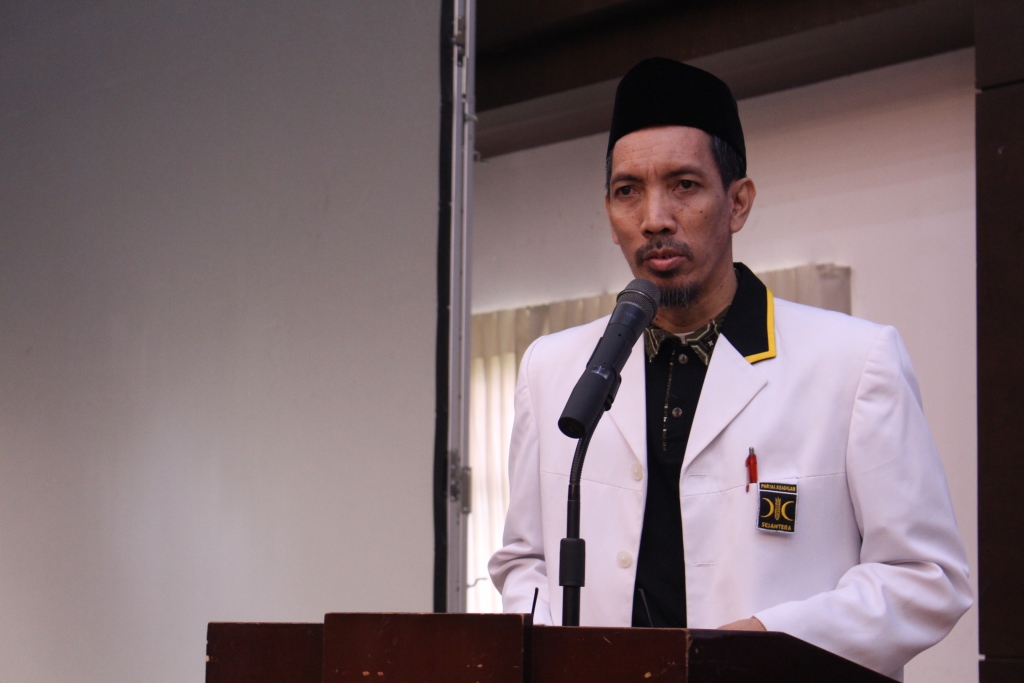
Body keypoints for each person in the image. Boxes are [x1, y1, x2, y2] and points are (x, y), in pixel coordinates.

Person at [488, 57, 971, 679]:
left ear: (738, 203)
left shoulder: (853, 362)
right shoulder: (552, 369)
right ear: (609, 214)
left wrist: (763, 643)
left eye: (684, 185)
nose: (654, 218)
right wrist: (562, 655)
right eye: (628, 190)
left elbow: (926, 579)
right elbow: (524, 560)